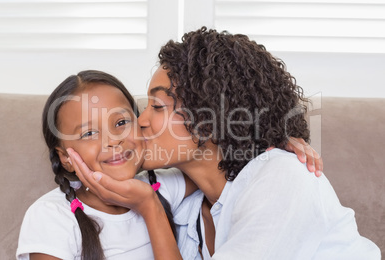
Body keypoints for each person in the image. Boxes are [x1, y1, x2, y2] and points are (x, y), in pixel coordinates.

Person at [70, 27, 381, 259]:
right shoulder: (189, 204)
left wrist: (148, 207)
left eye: (158, 107)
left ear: (210, 118)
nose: (141, 122)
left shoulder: (282, 178)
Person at [16, 70, 193, 260]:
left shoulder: (161, 187)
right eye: (89, 133)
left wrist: (150, 205)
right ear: (66, 159)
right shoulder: (51, 215)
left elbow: (214, 170)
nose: (113, 140)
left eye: (121, 122)